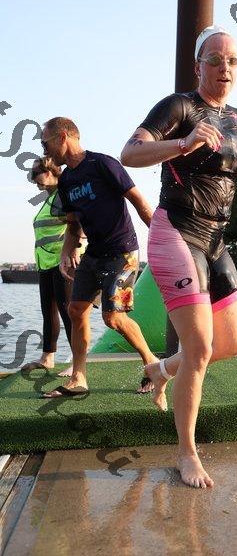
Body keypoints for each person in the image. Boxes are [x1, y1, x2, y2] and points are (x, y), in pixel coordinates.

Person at [120, 25, 237, 488]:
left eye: (232, 61)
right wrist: (183, 143)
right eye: (215, 59)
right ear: (198, 65)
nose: (225, 68)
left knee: (232, 345)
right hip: (176, 231)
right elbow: (130, 152)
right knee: (200, 348)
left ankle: (160, 369)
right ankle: (186, 452)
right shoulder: (179, 107)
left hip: (216, 240)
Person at [40, 117, 158, 398]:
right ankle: (79, 378)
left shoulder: (103, 164)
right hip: (94, 253)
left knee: (112, 318)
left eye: (46, 143)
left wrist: (163, 240)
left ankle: (152, 363)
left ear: (63, 137)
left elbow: (138, 201)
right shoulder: (66, 180)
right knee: (76, 309)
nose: (45, 151)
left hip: (123, 251)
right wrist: (67, 252)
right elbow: (73, 225)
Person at [21, 157, 73, 376]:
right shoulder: (50, 198)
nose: (33, 179)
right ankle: (47, 357)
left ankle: (78, 362)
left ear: (51, 171)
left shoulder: (63, 195)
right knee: (48, 310)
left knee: (69, 312)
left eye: (36, 174)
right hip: (46, 264)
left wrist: (72, 252)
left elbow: (78, 224)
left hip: (63, 263)